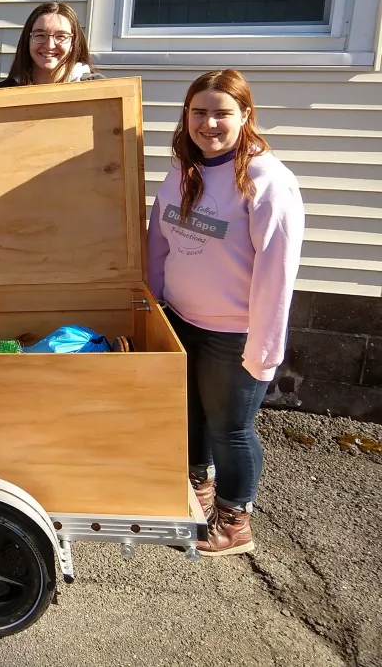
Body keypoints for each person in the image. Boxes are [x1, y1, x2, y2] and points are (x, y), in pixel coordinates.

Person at [147, 69, 304, 556]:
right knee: (189, 415)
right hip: (180, 319)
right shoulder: (183, 170)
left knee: (230, 427)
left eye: (222, 113)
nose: (209, 123)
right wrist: (150, 305)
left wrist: (264, 349)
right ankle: (197, 492)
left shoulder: (268, 181)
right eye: (199, 112)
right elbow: (157, 242)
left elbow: (277, 274)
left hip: (233, 332)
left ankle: (235, 522)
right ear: (186, 116)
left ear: (245, 116)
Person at [0, 1, 97, 87]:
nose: (50, 45)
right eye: (40, 35)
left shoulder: (97, 89)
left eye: (61, 36)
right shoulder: (4, 91)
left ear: (73, 44)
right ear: (28, 40)